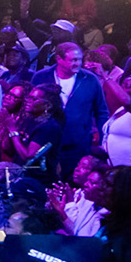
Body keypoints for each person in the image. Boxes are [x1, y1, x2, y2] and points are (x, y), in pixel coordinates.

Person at [32, 42, 104, 179]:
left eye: (80, 60)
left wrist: (101, 136)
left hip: (77, 144)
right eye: (73, 60)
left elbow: (101, 111)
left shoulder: (90, 79)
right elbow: (29, 106)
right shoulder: (41, 77)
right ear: (59, 59)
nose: (78, 64)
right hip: (45, 144)